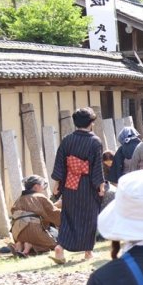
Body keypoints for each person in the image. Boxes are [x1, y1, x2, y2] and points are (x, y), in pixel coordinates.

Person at [51, 108, 105, 263]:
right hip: (87, 184)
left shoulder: (67, 140)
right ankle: (88, 252)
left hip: (69, 184)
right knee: (89, 217)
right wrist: (100, 186)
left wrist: (57, 184)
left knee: (68, 216)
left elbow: (60, 163)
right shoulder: (95, 141)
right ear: (91, 123)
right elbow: (97, 167)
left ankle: (60, 247)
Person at [10, 175, 61, 257]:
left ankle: (21, 245)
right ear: (36, 186)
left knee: (42, 230)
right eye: (42, 185)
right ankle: (30, 245)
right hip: (34, 231)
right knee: (57, 243)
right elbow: (54, 214)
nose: (43, 188)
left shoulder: (18, 200)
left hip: (17, 233)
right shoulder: (40, 197)